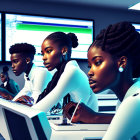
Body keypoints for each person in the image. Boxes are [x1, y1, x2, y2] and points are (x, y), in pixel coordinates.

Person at [63, 21, 140, 139]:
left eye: (97, 62)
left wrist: (94, 117)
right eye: (90, 66)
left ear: (122, 63)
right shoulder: (127, 97)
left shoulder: (134, 100)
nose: (90, 72)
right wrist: (94, 117)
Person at [32, 32, 98, 113]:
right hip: (77, 123)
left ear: (64, 50)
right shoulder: (61, 73)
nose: (44, 58)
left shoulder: (72, 72)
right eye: (42, 54)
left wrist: (27, 108)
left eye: (49, 51)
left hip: (86, 124)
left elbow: (38, 111)